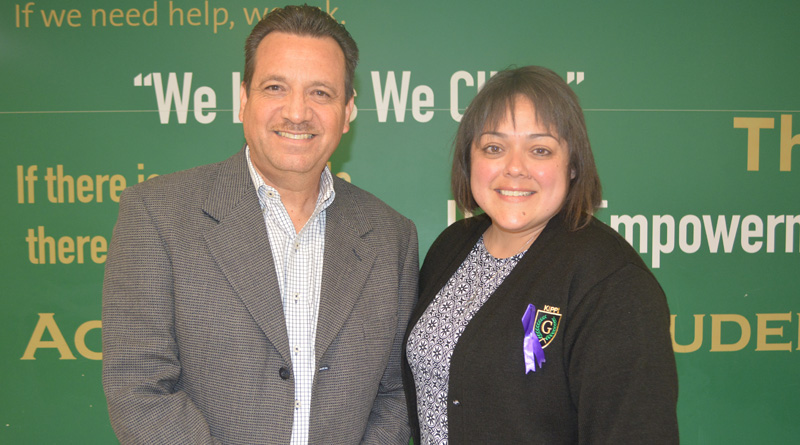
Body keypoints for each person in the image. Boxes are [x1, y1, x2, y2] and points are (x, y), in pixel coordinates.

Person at [102, 5, 418, 444]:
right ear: (243, 99)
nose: (297, 112)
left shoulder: (391, 236)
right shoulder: (157, 215)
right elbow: (140, 388)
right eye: (275, 87)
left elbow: (396, 394)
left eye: (320, 93)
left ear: (347, 111)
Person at [403, 66, 678, 444]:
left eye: (540, 150)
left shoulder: (613, 283)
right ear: (469, 160)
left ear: (574, 165)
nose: (515, 168)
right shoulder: (451, 246)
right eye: (494, 148)